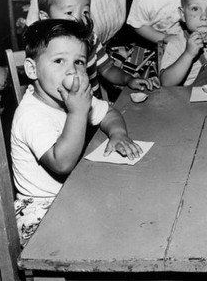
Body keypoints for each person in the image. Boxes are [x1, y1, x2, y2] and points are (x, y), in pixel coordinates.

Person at [11, 19, 142, 246]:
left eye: (79, 62)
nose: (72, 70)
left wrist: (118, 133)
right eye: (59, 60)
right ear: (32, 69)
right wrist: (78, 113)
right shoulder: (31, 114)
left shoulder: (73, 99)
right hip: (40, 212)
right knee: (112, 233)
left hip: (71, 194)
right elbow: (61, 163)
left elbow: (108, 113)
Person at [36, 0, 158, 98]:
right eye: (69, 12)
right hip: (59, 112)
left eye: (85, 12)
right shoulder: (42, 50)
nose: (79, 19)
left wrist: (128, 79)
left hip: (93, 107)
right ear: (45, 17)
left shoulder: (90, 39)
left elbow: (107, 69)